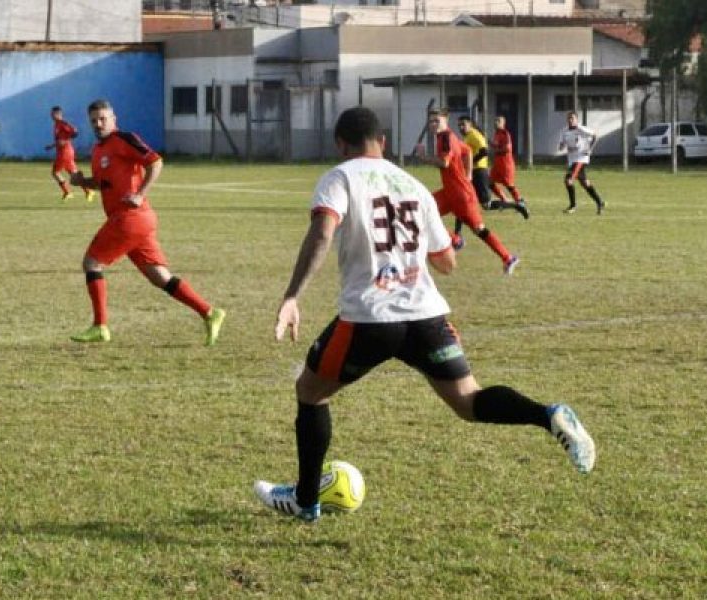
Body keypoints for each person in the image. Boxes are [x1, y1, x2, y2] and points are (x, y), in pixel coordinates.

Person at [253, 106, 596, 522]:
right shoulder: (413, 184)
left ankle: (306, 501)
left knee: (311, 393)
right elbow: (447, 262)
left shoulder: (340, 177)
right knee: (469, 401)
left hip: (369, 318)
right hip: (426, 315)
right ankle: (547, 415)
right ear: (382, 141)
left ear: (341, 145)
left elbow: (323, 231)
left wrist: (293, 295)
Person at [68, 99, 225, 344]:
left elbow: (155, 161)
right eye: (94, 121)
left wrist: (140, 194)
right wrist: (82, 182)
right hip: (134, 222)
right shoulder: (98, 151)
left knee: (91, 264)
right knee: (160, 277)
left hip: (130, 218)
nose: (98, 124)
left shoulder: (124, 139)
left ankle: (100, 326)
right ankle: (210, 312)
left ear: (114, 119)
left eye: (103, 119)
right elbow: (103, 184)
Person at [416, 109, 520, 276]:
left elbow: (444, 162)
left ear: (445, 121)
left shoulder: (446, 138)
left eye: (437, 121)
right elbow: (468, 151)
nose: (433, 124)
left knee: (479, 229)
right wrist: (469, 174)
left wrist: (423, 157)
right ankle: (455, 239)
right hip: (451, 192)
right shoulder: (450, 137)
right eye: (431, 122)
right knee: (421, 212)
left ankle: (508, 257)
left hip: (462, 196)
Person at [558, 111, 605, 215]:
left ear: (576, 120)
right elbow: (561, 145)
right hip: (572, 160)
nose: (570, 120)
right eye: (569, 118)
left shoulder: (581, 129)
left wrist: (590, 149)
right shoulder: (564, 131)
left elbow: (595, 136)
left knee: (568, 180)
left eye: (572, 118)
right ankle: (600, 202)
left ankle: (573, 206)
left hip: (581, 159)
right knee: (585, 183)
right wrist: (562, 146)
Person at [46, 106, 95, 203]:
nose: (51, 116)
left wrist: (66, 140)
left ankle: (68, 192)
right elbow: (60, 140)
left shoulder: (63, 124)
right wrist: (52, 146)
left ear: (58, 114)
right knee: (73, 174)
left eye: (52, 114)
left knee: (55, 172)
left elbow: (75, 132)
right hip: (64, 152)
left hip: (65, 152)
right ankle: (88, 191)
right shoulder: (56, 124)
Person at [489, 115, 529, 218]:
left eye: (498, 121)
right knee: (489, 182)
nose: (496, 122)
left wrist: (496, 150)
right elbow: (497, 146)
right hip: (497, 164)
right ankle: (504, 199)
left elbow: (507, 148)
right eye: (495, 121)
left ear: (503, 123)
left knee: (509, 185)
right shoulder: (496, 134)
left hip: (506, 164)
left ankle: (520, 202)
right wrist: (491, 144)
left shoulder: (505, 133)